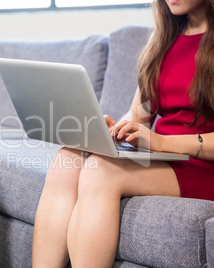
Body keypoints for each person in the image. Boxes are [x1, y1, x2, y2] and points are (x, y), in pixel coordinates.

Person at [32, 0, 214, 267]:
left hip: (203, 164)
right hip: (164, 155)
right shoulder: (164, 39)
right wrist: (115, 130)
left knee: (99, 170)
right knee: (66, 159)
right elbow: (140, 114)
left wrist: (162, 141)